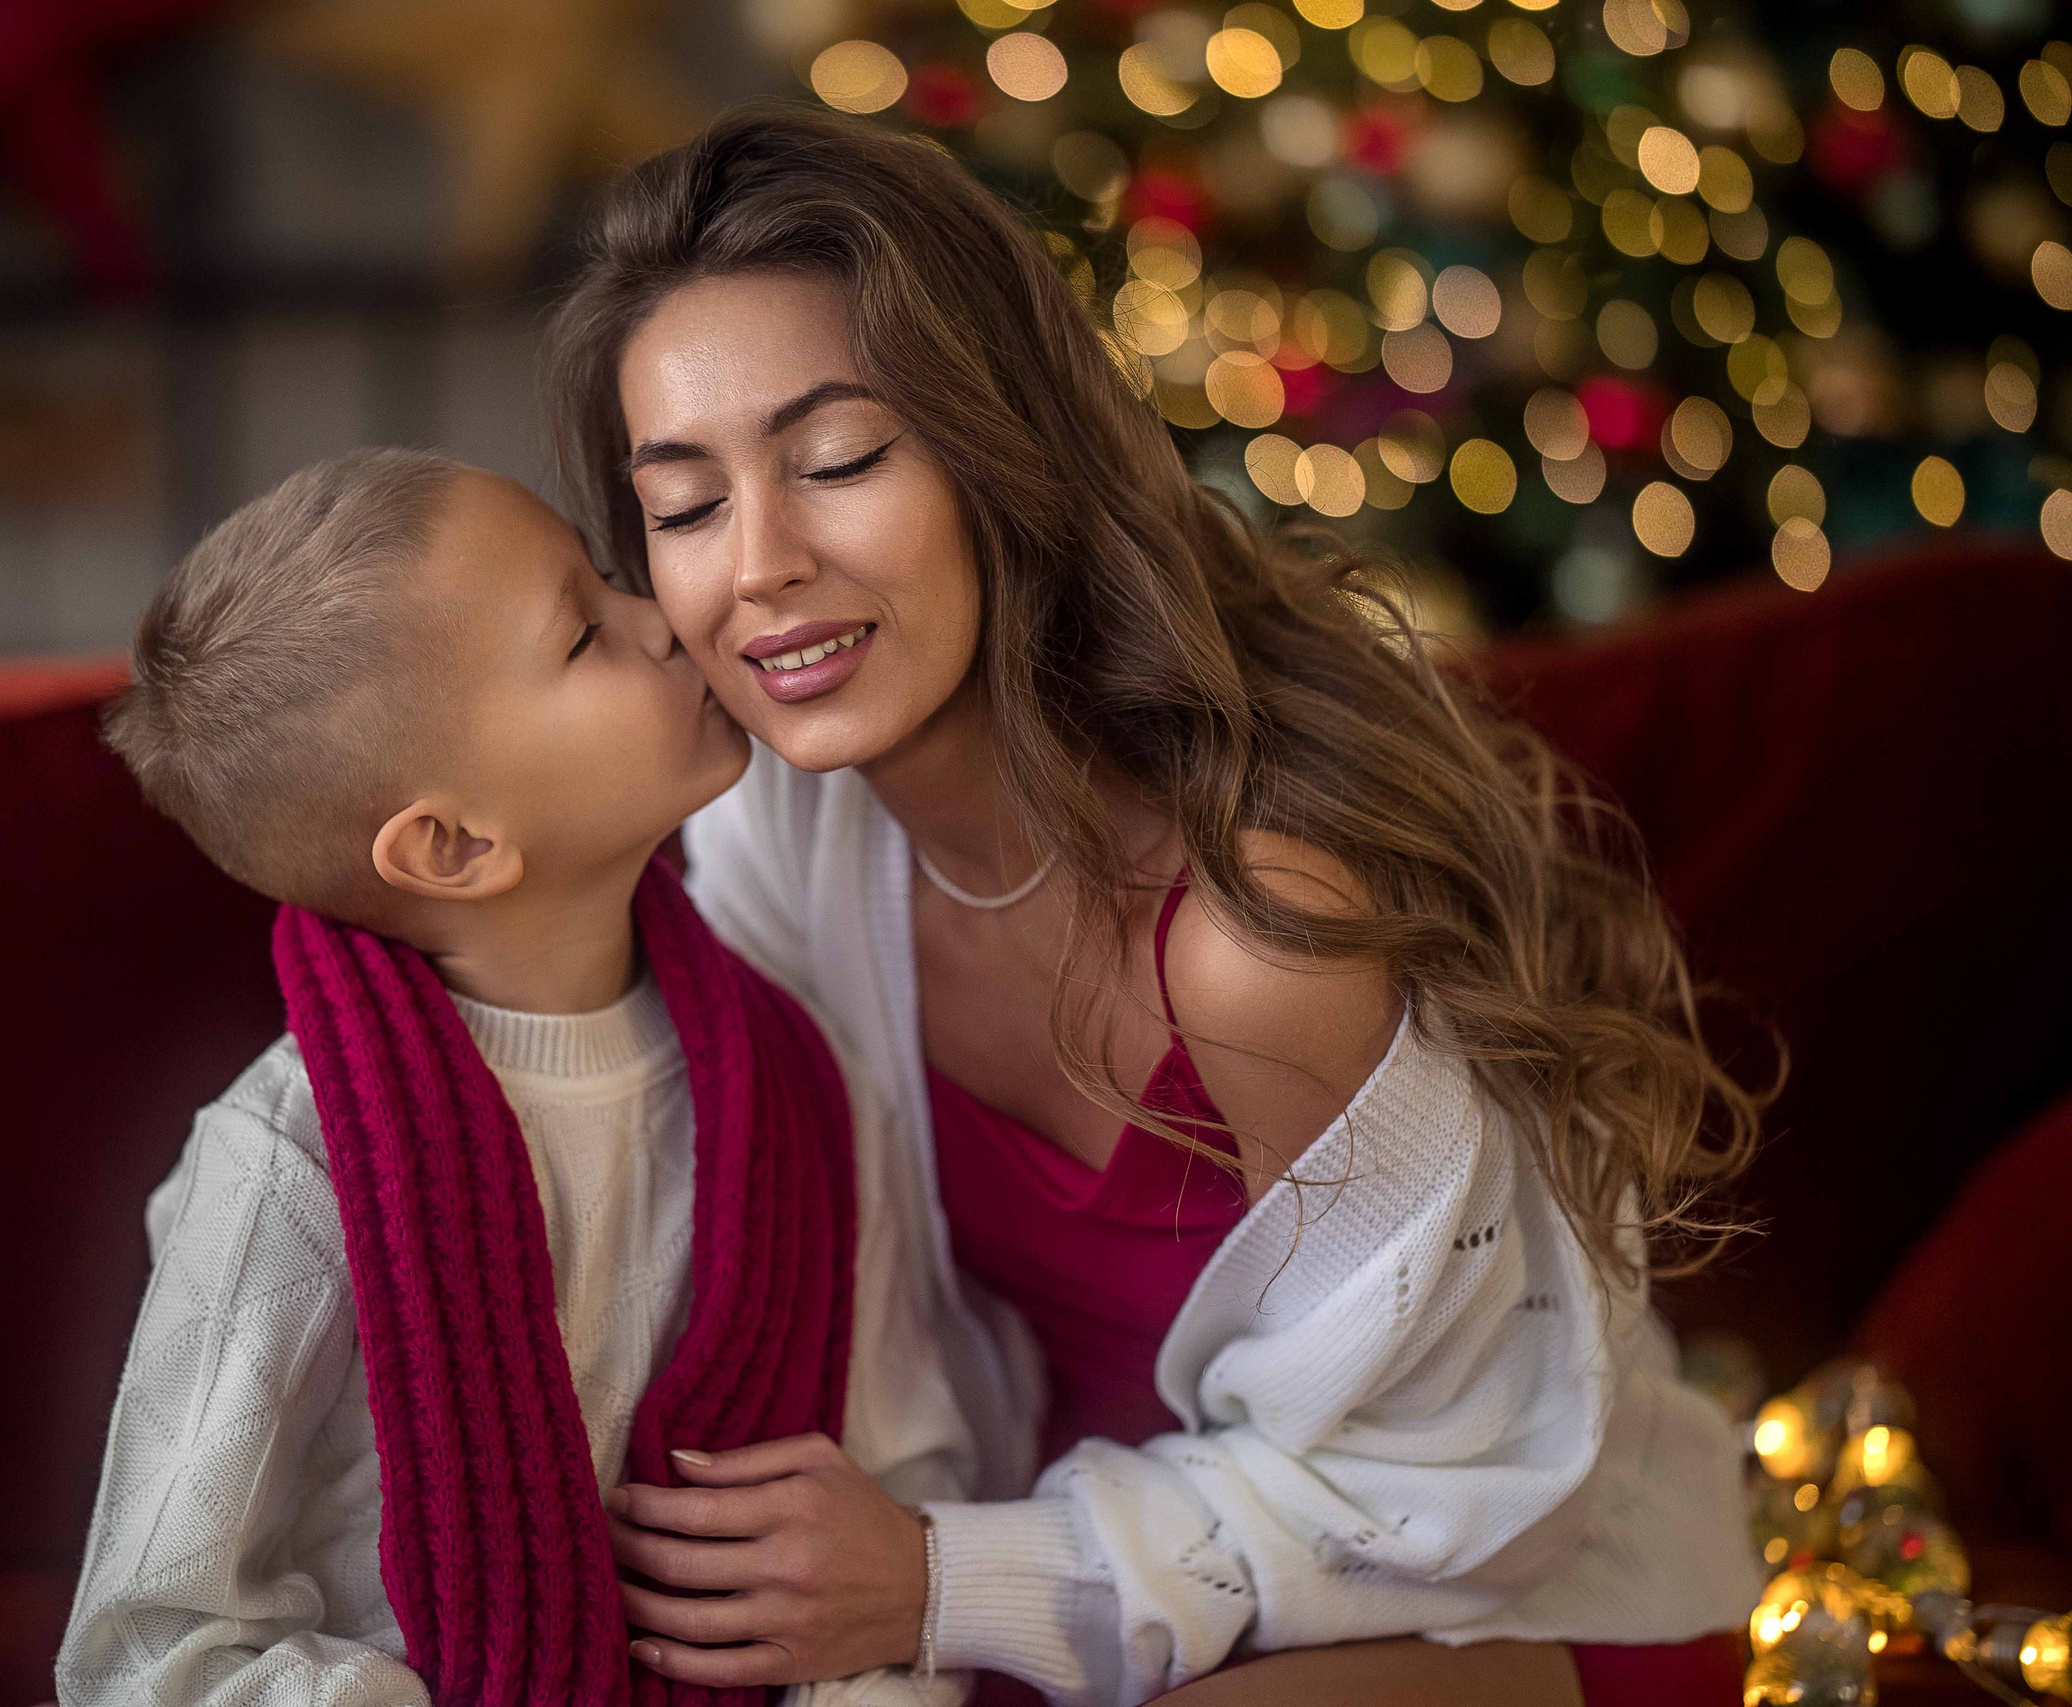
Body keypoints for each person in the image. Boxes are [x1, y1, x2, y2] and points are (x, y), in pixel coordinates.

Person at [539, 105, 1767, 1707]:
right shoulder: (777, 832)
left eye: (837, 459)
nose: (758, 564)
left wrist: (938, 1575)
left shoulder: (1260, 929)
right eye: (687, 505)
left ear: (1002, 444)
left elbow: (1437, 1504)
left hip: (1474, 1601)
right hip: (1071, 1584)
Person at [58, 446, 981, 1706]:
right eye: (585, 634)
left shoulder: (798, 1085)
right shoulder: (293, 1159)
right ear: (453, 844)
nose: (667, 616)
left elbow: (898, 1481)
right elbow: (147, 1647)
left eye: (613, 579)